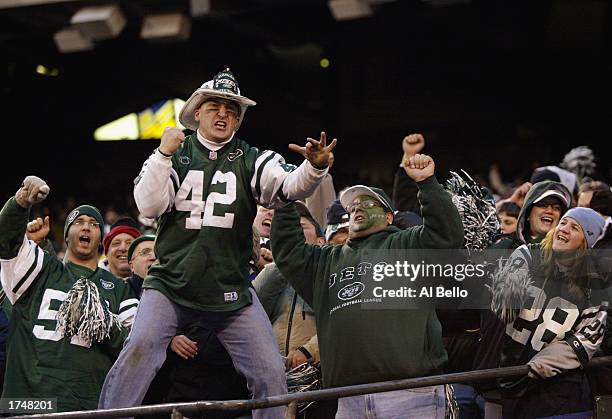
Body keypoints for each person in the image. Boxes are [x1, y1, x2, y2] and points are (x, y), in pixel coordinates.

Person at [99, 68, 336, 419]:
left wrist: (313, 168)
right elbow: (148, 206)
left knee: (271, 372)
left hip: (229, 289)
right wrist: (163, 154)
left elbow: (288, 187)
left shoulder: (253, 157)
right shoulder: (175, 154)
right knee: (139, 349)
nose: (223, 114)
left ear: (239, 121)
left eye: (231, 110)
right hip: (171, 284)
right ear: (197, 113)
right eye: (215, 107)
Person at [271, 153, 464, 418]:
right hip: (347, 399)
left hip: (411, 393)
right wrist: (287, 195)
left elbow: (447, 235)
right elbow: (288, 253)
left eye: (368, 203)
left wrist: (427, 184)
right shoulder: (325, 261)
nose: (357, 207)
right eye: (353, 206)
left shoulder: (408, 245)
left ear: (388, 217)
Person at [0, 176, 137, 412]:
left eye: (94, 224)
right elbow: (7, 242)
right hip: (29, 403)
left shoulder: (120, 288)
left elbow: (135, 351)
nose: (86, 226)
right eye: (79, 222)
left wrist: (103, 322)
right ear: (65, 235)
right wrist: (20, 203)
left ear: (101, 242)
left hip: (89, 406)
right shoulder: (41, 267)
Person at [491, 207, 609, 418]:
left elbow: (587, 339)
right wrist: (508, 287)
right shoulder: (528, 254)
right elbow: (503, 306)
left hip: (556, 387)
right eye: (563, 222)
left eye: (574, 228)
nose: (563, 229)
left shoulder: (595, 283)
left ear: (586, 244)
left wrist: (541, 364)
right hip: (509, 374)